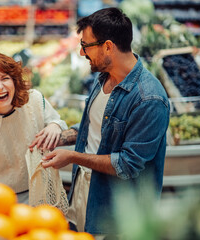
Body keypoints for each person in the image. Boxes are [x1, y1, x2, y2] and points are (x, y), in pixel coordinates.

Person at [29, 7, 170, 237]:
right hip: (84, 192)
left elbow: (127, 164)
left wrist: (72, 156)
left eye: (86, 46)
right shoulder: (102, 76)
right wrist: (59, 135)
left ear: (108, 46)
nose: (83, 53)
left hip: (116, 213)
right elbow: (94, 128)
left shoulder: (149, 99)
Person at [0, 53, 67, 204]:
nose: (0, 86)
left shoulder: (34, 100)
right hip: (3, 202)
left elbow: (57, 121)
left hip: (43, 195)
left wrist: (55, 125)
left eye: (5, 78)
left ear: (14, 81)